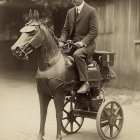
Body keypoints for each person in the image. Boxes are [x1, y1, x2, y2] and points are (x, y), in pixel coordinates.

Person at [59, 0, 98, 93]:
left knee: (77, 55)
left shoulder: (91, 11)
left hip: (88, 45)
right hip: (72, 44)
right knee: (60, 55)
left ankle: (85, 83)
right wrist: (62, 41)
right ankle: (67, 82)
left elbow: (94, 31)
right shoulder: (70, 12)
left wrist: (83, 42)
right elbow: (65, 30)